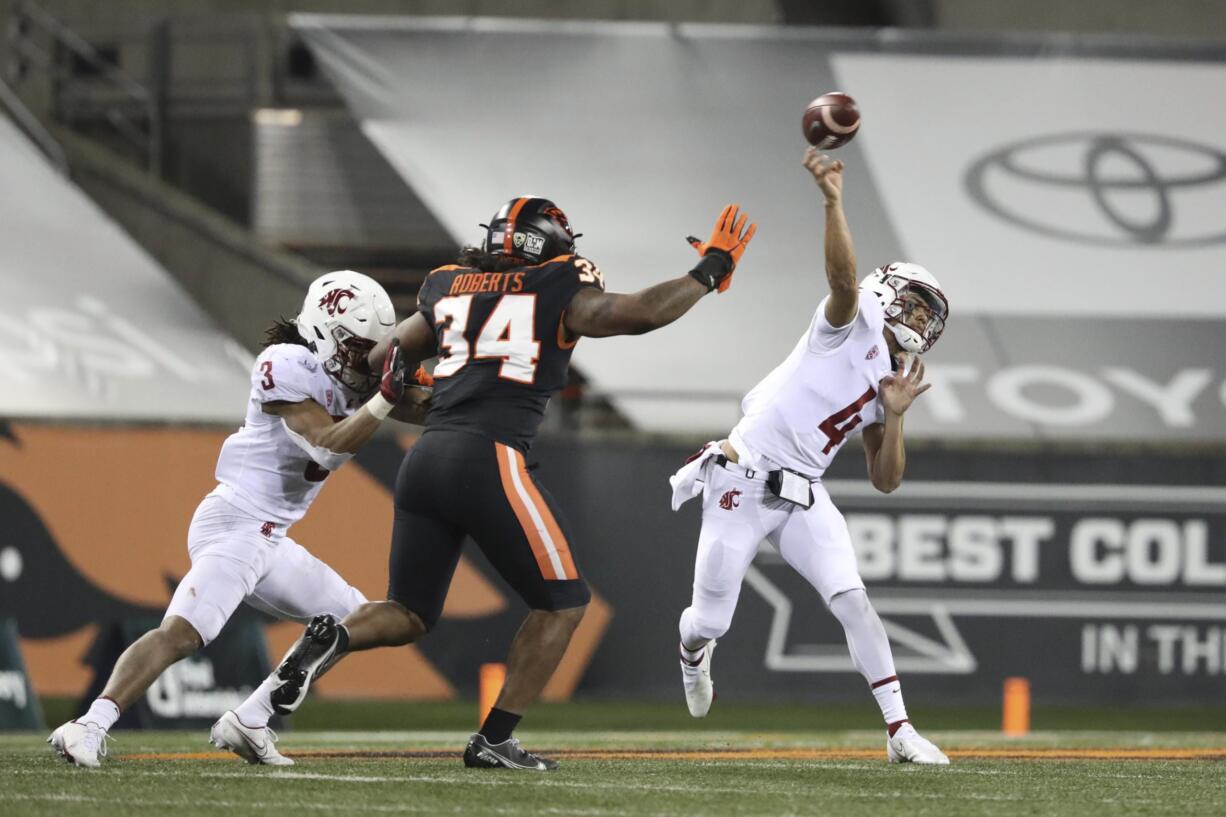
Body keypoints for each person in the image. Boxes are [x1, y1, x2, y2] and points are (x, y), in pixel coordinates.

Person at [266, 195, 756, 771]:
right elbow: (635, 314)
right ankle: (495, 739)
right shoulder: (557, 285)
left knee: (408, 610)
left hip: (424, 458)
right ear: (544, 242)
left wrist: (424, 377)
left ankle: (336, 636)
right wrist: (709, 271)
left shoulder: (449, 285)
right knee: (564, 604)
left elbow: (382, 354)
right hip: (489, 456)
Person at [49, 271, 431, 768]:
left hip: (273, 538)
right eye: (358, 347)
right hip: (236, 522)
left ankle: (250, 719)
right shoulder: (286, 363)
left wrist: (470, 382)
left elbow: (430, 404)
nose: (367, 360)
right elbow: (327, 442)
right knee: (183, 633)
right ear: (324, 331)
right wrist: (385, 396)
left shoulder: (353, 376)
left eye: (375, 350)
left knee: (358, 623)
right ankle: (88, 725)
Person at [669, 149, 951, 765]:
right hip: (741, 479)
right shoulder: (850, 321)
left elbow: (885, 481)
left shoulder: (891, 376)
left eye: (928, 316)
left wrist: (895, 416)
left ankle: (900, 730)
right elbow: (843, 282)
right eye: (916, 305)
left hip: (803, 493)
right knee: (711, 621)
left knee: (853, 599)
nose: (920, 322)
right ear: (888, 291)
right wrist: (832, 200)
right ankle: (691, 649)